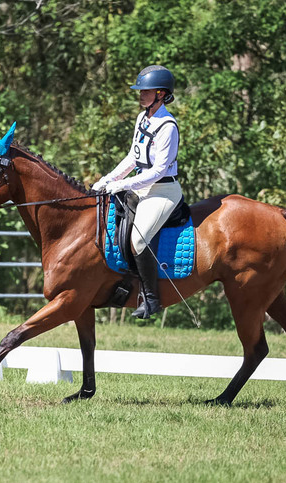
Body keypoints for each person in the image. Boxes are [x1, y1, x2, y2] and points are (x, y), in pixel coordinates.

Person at [92, 65, 182, 319]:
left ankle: (152, 299)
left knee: (140, 239)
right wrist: (108, 179)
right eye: (140, 90)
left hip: (163, 191)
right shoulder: (142, 118)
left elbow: (158, 170)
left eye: (146, 91)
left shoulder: (167, 126)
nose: (140, 95)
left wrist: (123, 184)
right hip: (141, 187)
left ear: (161, 94)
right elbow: (134, 156)